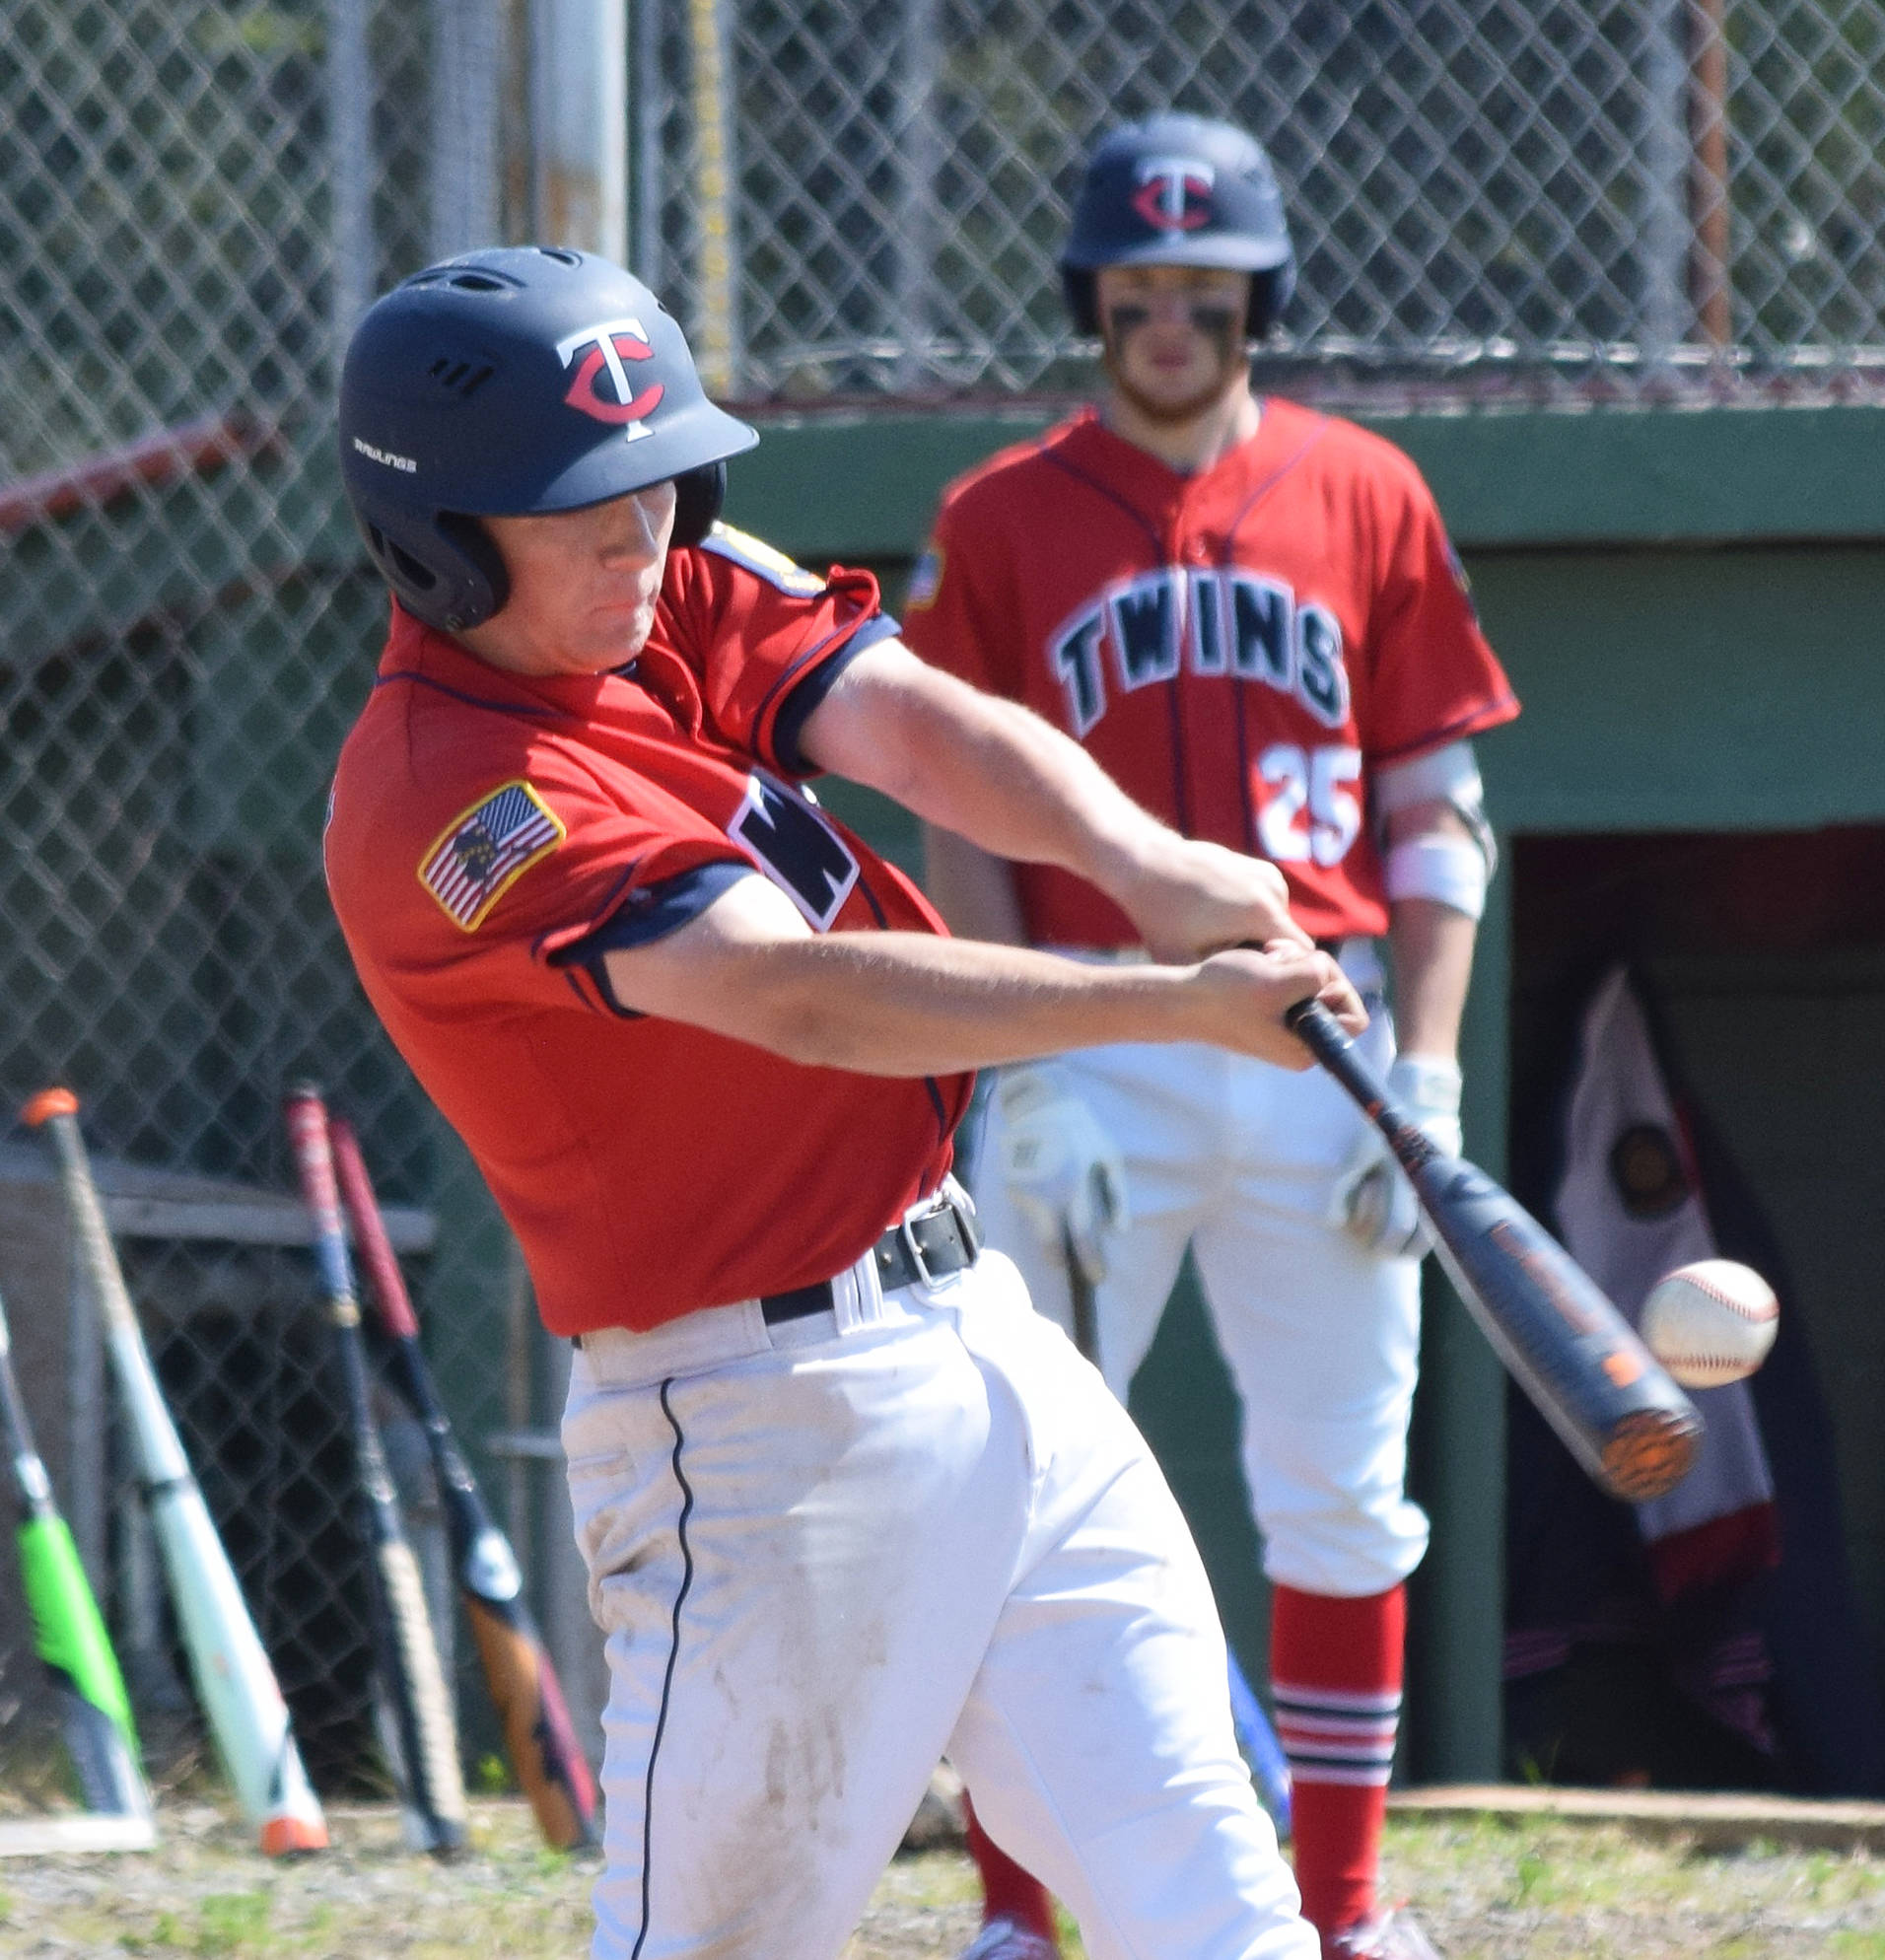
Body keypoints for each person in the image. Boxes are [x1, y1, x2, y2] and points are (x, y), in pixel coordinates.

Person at [321, 244, 1369, 1960]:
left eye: (656, 480)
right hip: (756, 1433)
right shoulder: (457, 793)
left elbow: (919, 724)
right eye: (575, 501)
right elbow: (793, 994)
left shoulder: (654, 594)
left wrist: (1155, 864)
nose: (635, 532)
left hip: (980, 1332)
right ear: (437, 539)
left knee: (1216, 1894)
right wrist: (1170, 1009)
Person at [901, 113, 1521, 1960]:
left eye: (1206, 291)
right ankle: (1020, 1914)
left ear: (1263, 297)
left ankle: (1337, 1916)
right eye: (1138, 289)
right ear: (1090, 296)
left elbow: (1436, 802)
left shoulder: (1368, 491)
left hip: (1324, 1036)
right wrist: (1015, 1069)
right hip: (1101, 1028)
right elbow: (960, 812)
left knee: (1344, 1490)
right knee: (1015, 1479)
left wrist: (1430, 1065)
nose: (1169, 320)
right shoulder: (1001, 513)